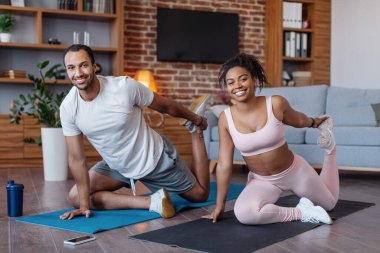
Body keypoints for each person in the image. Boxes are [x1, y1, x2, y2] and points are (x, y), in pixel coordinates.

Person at [59, 44, 211, 220]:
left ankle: (194, 130)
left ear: (94, 66)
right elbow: (76, 159)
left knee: (200, 195)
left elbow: (165, 106)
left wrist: (195, 119)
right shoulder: (68, 107)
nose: (78, 73)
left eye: (83, 65)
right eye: (71, 68)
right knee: (76, 197)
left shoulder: (124, 87)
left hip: (152, 159)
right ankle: (151, 202)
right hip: (117, 166)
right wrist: (84, 206)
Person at [203, 53, 339, 225]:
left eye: (243, 79)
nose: (237, 85)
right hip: (263, 181)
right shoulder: (225, 118)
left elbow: (298, 121)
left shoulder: (275, 103)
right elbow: (223, 165)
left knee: (330, 204)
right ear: (227, 87)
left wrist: (315, 122)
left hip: (295, 172)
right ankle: (301, 212)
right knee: (245, 214)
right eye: (231, 83)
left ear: (254, 80)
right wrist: (220, 205)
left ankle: (330, 151)